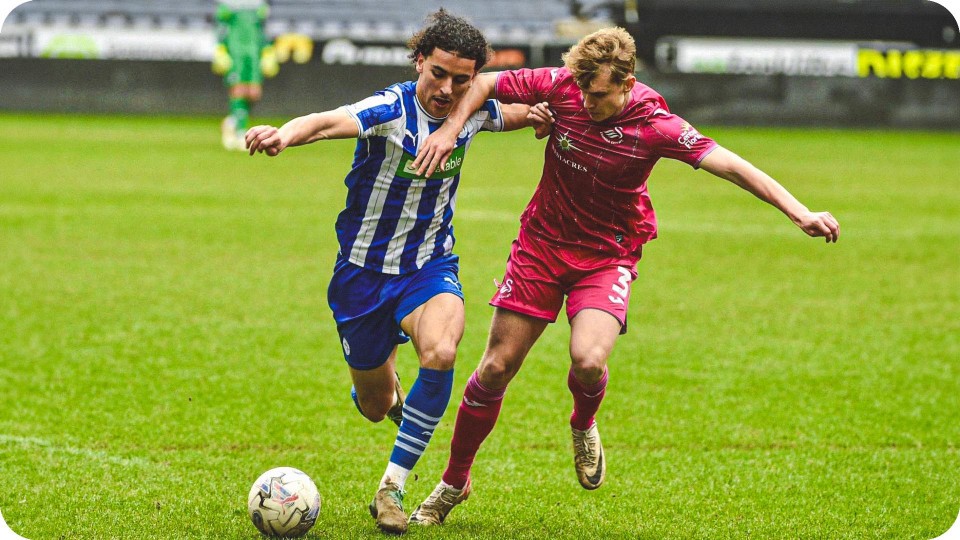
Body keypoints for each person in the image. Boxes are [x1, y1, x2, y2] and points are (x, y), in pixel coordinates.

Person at [407, 27, 841, 526]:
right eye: (581, 91)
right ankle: (453, 483)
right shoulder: (561, 84)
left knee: (588, 360)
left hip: (606, 255)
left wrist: (799, 212)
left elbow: (733, 166)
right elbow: (484, 83)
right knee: (495, 368)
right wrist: (448, 129)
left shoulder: (656, 124)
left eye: (598, 94)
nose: (585, 102)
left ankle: (583, 423)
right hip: (541, 247)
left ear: (627, 83)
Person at [244, 9, 547, 535]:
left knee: (443, 350)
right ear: (419, 62)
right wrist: (283, 135)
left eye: (462, 79)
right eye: (438, 74)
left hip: (429, 267)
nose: (449, 89)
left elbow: (518, 113)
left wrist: (546, 114)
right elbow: (326, 122)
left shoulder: (471, 112)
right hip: (361, 278)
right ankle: (394, 398)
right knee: (375, 404)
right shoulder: (390, 107)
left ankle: (392, 487)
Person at [212, 0, 278, 150]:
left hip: (253, 52)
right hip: (236, 51)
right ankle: (240, 132)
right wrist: (221, 49)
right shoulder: (228, 4)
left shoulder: (259, 5)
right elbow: (220, 26)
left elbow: (263, 29)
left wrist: (267, 50)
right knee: (238, 90)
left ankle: (231, 122)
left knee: (254, 93)